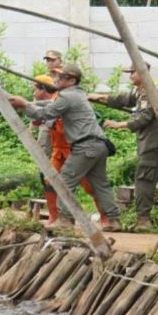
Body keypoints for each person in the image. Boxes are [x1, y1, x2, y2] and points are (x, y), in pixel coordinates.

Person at [8, 65, 122, 232]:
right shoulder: (78, 94)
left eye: (61, 78)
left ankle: (65, 219)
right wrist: (30, 104)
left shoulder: (67, 96)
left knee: (65, 181)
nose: (56, 80)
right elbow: (49, 104)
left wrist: (25, 105)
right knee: (100, 184)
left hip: (86, 146)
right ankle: (114, 220)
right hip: (98, 144)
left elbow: (44, 114)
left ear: (72, 81)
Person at [91, 64, 158, 230]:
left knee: (144, 180)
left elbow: (144, 117)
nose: (130, 76)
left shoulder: (147, 92)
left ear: (141, 73)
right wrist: (97, 97)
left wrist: (120, 124)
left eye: (132, 72)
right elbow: (121, 100)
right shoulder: (139, 92)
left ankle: (143, 220)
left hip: (152, 144)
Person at [32, 74, 105, 225]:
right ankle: (56, 217)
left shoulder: (65, 100)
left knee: (89, 185)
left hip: (76, 149)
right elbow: (38, 120)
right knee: (49, 181)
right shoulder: (47, 103)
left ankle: (105, 217)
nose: (33, 93)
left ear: (43, 89)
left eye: (35, 89)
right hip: (58, 150)